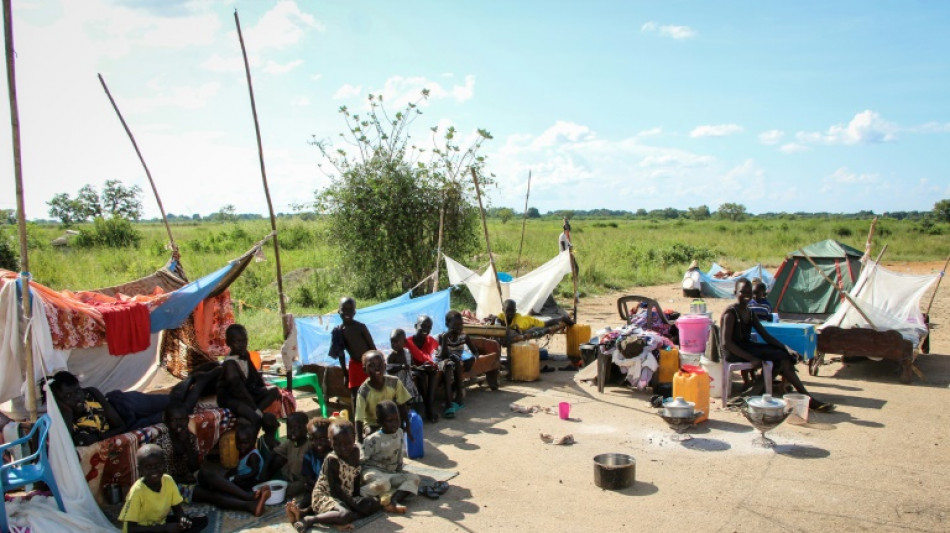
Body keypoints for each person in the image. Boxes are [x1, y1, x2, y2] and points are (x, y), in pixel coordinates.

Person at [721, 278, 835, 412]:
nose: (746, 295)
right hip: (734, 353)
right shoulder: (731, 313)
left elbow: (766, 336)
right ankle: (808, 399)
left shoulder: (750, 312)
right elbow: (726, 343)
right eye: (742, 292)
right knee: (780, 357)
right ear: (735, 293)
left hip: (746, 347)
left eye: (749, 292)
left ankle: (756, 393)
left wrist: (787, 348)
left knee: (783, 356)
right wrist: (751, 358)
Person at [158, 403, 269, 517]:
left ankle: (248, 496)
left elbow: (195, 466)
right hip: (173, 485)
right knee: (212, 495)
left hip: (190, 477)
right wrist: (183, 478)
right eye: (174, 420)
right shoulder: (162, 444)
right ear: (166, 421)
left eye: (182, 420)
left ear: (187, 420)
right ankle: (250, 505)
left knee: (208, 475)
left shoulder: (188, 436)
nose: (179, 424)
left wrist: (186, 443)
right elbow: (161, 478)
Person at [48, 370, 195, 446]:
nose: (77, 398)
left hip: (125, 404)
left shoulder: (91, 393)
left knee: (174, 400)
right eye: (68, 397)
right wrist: (66, 410)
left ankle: (198, 379)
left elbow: (119, 425)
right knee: (182, 411)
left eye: (78, 391)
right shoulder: (66, 424)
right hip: (131, 425)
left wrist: (98, 437)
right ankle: (201, 381)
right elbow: (68, 444)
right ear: (58, 401)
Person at [292, 419, 381, 532]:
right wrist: (355, 504)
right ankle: (311, 519)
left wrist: (357, 497)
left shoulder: (355, 452)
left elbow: (356, 475)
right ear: (330, 442)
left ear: (354, 438)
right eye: (337, 445)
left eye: (347, 443)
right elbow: (335, 491)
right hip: (326, 496)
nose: (343, 448)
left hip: (346, 494)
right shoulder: (332, 460)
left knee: (375, 503)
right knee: (344, 513)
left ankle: (346, 516)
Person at [118, 444, 208, 533]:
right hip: (144, 530)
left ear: (165, 465)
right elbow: (131, 529)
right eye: (148, 467)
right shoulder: (137, 491)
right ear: (140, 470)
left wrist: (182, 519)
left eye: (158, 465)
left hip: (159, 525)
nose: (154, 470)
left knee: (201, 519)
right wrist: (164, 528)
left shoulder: (168, 481)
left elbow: (177, 509)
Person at [360, 400, 420, 514]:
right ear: (379, 422)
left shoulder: (400, 433)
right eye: (389, 421)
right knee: (384, 484)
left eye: (397, 419)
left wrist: (400, 472)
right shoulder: (372, 440)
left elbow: (399, 457)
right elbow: (362, 461)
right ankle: (361, 494)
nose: (394, 423)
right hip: (374, 472)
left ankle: (393, 500)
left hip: (391, 473)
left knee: (414, 479)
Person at [217, 324, 280, 429]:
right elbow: (239, 390)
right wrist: (253, 407)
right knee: (249, 412)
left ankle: (258, 412)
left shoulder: (245, 354)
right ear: (228, 343)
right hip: (232, 397)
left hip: (248, 391)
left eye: (244, 340)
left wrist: (262, 389)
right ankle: (256, 415)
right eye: (237, 341)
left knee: (274, 390)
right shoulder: (230, 365)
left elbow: (254, 375)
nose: (242, 345)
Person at [329, 297, 377, 422]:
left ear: (355, 312)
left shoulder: (361, 327)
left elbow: (372, 348)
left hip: (370, 365)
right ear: (338, 311)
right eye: (344, 310)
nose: (347, 313)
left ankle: (374, 421)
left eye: (350, 310)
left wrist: (377, 367)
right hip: (355, 366)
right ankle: (358, 426)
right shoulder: (339, 331)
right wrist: (345, 374)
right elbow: (341, 354)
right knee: (355, 396)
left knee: (373, 393)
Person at [354, 351, 413, 442]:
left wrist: (407, 425)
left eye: (380, 364)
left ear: (385, 366)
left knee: (397, 432)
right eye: (371, 365)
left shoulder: (394, 382)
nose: (377, 368)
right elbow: (359, 419)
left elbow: (402, 405)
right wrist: (359, 440)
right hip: (372, 423)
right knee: (371, 436)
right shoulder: (363, 391)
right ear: (364, 370)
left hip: (390, 419)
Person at [285, 417, 332, 526]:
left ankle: (304, 513)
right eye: (313, 439)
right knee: (307, 498)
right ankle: (297, 510)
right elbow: (308, 477)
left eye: (322, 438)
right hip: (314, 488)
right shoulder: (309, 455)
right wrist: (315, 486)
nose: (318, 442)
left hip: (330, 489)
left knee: (323, 501)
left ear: (330, 438)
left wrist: (321, 488)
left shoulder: (333, 456)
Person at [437, 311, 481, 419]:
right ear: (447, 325)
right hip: (443, 360)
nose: (459, 328)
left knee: (455, 362)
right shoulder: (442, 336)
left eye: (461, 325)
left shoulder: (464, 336)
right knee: (448, 365)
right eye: (455, 325)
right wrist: (444, 339)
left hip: (455, 361)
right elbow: (442, 356)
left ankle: (458, 399)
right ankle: (449, 403)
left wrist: (473, 359)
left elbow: (475, 352)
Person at [263, 412, 310, 502]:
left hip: (303, 480)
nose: (292, 431)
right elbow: (273, 453)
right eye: (289, 428)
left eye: (296, 428)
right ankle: (267, 483)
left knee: (287, 491)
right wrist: (264, 473)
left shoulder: (309, 445)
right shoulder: (289, 443)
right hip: (289, 477)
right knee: (278, 459)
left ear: (306, 428)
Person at [494, 299, 574, 347]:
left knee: (545, 324)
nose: (510, 314)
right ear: (503, 310)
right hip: (525, 318)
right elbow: (497, 321)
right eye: (508, 311)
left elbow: (519, 332)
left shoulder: (519, 320)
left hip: (529, 322)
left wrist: (504, 327)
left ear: (515, 311)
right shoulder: (501, 315)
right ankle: (531, 313)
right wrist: (498, 322)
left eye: (512, 311)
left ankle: (562, 318)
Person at [405, 315, 440, 423]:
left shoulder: (429, 340)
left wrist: (429, 365)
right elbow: (407, 363)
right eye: (423, 326)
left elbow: (437, 352)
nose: (426, 329)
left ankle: (429, 406)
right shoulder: (408, 342)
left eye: (429, 327)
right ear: (416, 326)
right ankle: (429, 407)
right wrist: (420, 367)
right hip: (412, 368)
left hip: (425, 367)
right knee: (420, 375)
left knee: (433, 371)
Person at [385, 329, 422, 411]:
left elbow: (411, 364)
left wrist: (416, 368)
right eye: (392, 342)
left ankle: (410, 411)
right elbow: (389, 369)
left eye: (397, 342)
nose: (394, 344)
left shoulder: (407, 352)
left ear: (404, 342)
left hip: (407, 380)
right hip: (397, 382)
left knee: (409, 398)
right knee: (400, 400)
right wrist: (401, 367)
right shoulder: (392, 356)